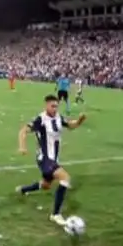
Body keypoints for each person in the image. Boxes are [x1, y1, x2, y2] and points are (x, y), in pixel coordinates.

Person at [16, 94, 87, 227]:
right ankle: (55, 214)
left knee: (46, 185)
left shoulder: (58, 117)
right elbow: (23, 131)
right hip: (44, 159)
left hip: (53, 159)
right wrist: (22, 147)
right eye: (52, 106)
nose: (54, 109)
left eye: (56, 106)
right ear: (46, 106)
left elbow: (70, 125)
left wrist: (79, 121)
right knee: (65, 178)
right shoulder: (41, 119)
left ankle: (23, 189)